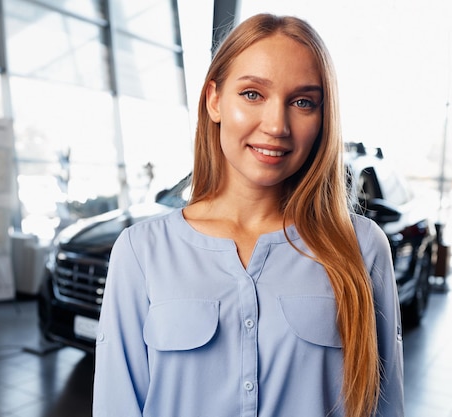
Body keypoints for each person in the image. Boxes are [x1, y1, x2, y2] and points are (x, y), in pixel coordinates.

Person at [92, 13, 404, 417]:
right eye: (253, 94)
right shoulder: (141, 251)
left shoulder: (361, 248)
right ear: (215, 100)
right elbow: (117, 405)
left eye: (303, 102)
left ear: (323, 119)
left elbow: (387, 405)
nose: (276, 125)